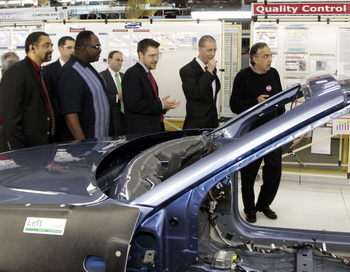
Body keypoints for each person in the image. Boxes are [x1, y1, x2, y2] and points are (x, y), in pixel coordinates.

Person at [230, 42, 285, 224]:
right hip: (251, 134)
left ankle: (264, 204)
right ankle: (250, 209)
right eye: (265, 56)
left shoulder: (274, 74)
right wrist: (256, 101)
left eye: (270, 56)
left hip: (273, 133)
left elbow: (280, 102)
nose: (269, 60)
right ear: (254, 59)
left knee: (274, 170)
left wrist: (283, 125)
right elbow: (235, 105)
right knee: (249, 173)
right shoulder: (243, 77)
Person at [1, 31, 55, 151]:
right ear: (32, 48)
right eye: (46, 45)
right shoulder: (17, 72)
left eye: (51, 45)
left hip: (42, 147)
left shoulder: (40, 72)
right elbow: (11, 119)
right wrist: (20, 153)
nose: (51, 49)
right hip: (26, 150)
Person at [56, 30, 110, 142]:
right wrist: (83, 144)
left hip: (100, 142)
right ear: (85, 48)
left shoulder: (87, 67)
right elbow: (70, 114)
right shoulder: (70, 71)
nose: (100, 50)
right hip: (87, 148)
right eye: (97, 46)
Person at [122, 38, 180, 134]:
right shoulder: (133, 73)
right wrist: (160, 104)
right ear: (141, 55)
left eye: (157, 55)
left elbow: (148, 101)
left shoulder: (146, 73)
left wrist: (164, 106)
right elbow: (135, 104)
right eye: (152, 55)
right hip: (140, 132)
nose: (156, 59)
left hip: (151, 129)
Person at [179, 35, 221, 129]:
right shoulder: (187, 70)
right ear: (200, 49)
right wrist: (209, 72)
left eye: (215, 50)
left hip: (212, 122)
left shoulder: (212, 69)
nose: (213, 54)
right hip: (196, 124)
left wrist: (210, 70)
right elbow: (196, 94)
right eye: (209, 50)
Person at [43, 36, 75, 142]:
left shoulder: (79, 69)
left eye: (74, 48)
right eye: (69, 47)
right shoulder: (48, 70)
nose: (73, 51)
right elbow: (50, 98)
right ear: (60, 49)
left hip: (77, 122)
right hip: (59, 125)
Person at [100, 50, 125, 136]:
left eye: (121, 61)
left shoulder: (124, 76)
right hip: (111, 119)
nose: (120, 63)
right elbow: (100, 98)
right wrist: (117, 97)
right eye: (117, 60)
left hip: (125, 118)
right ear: (109, 60)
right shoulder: (101, 77)